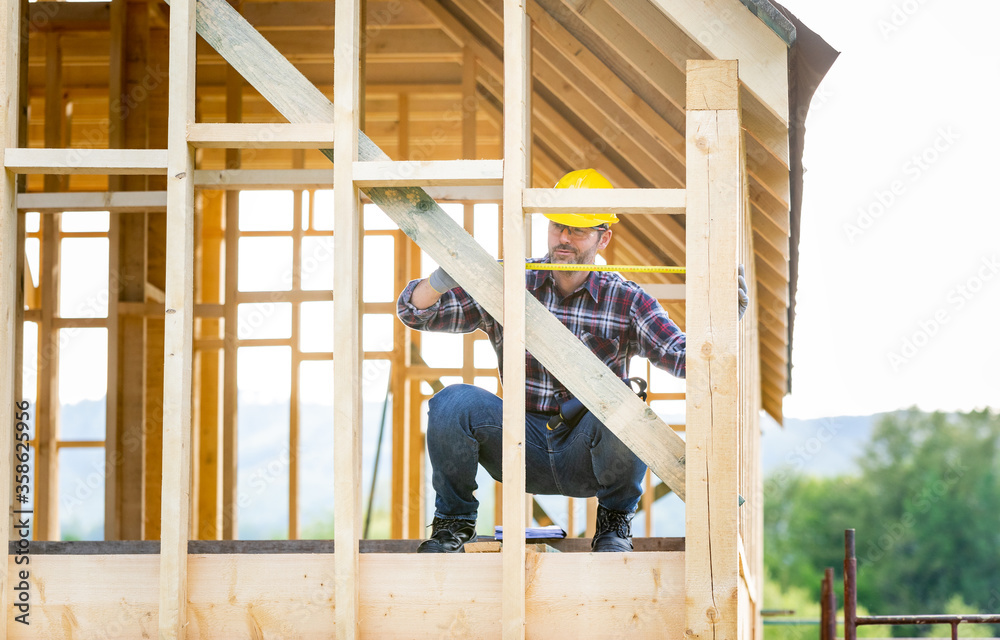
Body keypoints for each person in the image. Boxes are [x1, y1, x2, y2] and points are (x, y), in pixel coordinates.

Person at [395, 168, 749, 553]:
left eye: (578, 230)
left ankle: (614, 527)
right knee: (453, 403)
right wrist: (438, 281)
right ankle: (452, 526)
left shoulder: (626, 299)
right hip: (518, 444)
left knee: (627, 407)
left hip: (588, 454)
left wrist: (726, 325)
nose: (564, 238)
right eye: (558, 226)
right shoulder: (511, 282)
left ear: (604, 236)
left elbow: (685, 360)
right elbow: (416, 314)